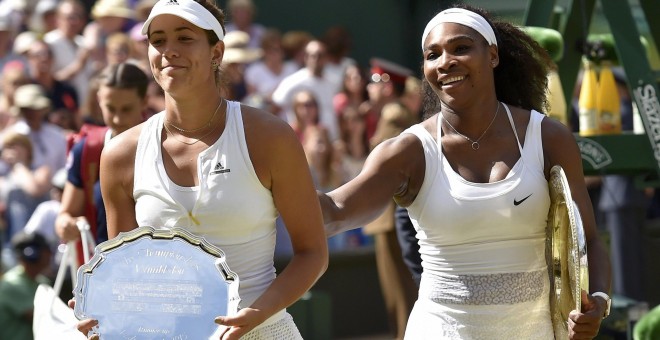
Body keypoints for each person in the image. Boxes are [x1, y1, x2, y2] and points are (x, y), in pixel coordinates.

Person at [318, 5, 611, 339]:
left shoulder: (548, 137)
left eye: (460, 48)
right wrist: (272, 178)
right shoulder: (408, 151)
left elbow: (586, 236)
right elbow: (336, 211)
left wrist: (599, 299)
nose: (446, 62)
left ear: (493, 56)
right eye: (433, 54)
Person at [75, 0, 328, 338]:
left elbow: (313, 253)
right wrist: (100, 307)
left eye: (184, 38)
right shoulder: (120, 154)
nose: (169, 51)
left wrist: (256, 314)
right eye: (158, 40)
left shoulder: (270, 136)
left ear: (217, 52)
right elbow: (127, 277)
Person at [56, 62, 148, 266]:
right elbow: (66, 213)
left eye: (126, 109)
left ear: (144, 101)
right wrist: (67, 224)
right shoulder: (87, 149)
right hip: (104, 272)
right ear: (99, 100)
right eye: (110, 108)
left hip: (159, 270)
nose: (117, 118)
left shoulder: (167, 146)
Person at [0, 231, 53, 340]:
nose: (50, 254)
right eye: (46, 250)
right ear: (32, 254)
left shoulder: (43, 282)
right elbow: (46, 318)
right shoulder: (11, 284)